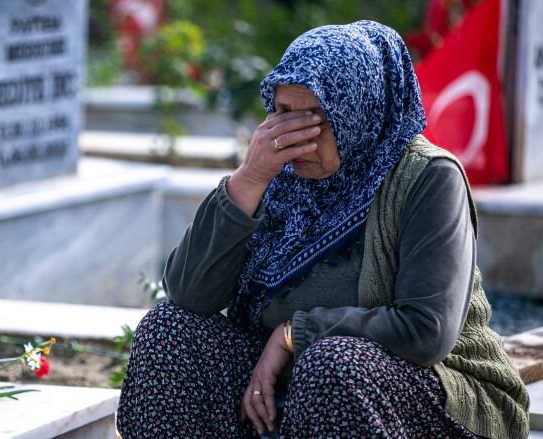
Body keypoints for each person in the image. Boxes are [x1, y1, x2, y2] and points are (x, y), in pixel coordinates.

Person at [116, 20, 529, 439]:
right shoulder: (276, 173)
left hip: (425, 391)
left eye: (315, 118)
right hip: (287, 387)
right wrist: (249, 179)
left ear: (356, 113)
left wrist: (295, 334)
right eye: (282, 114)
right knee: (168, 331)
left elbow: (425, 331)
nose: (293, 138)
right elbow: (188, 293)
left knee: (334, 365)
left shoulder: (427, 177)